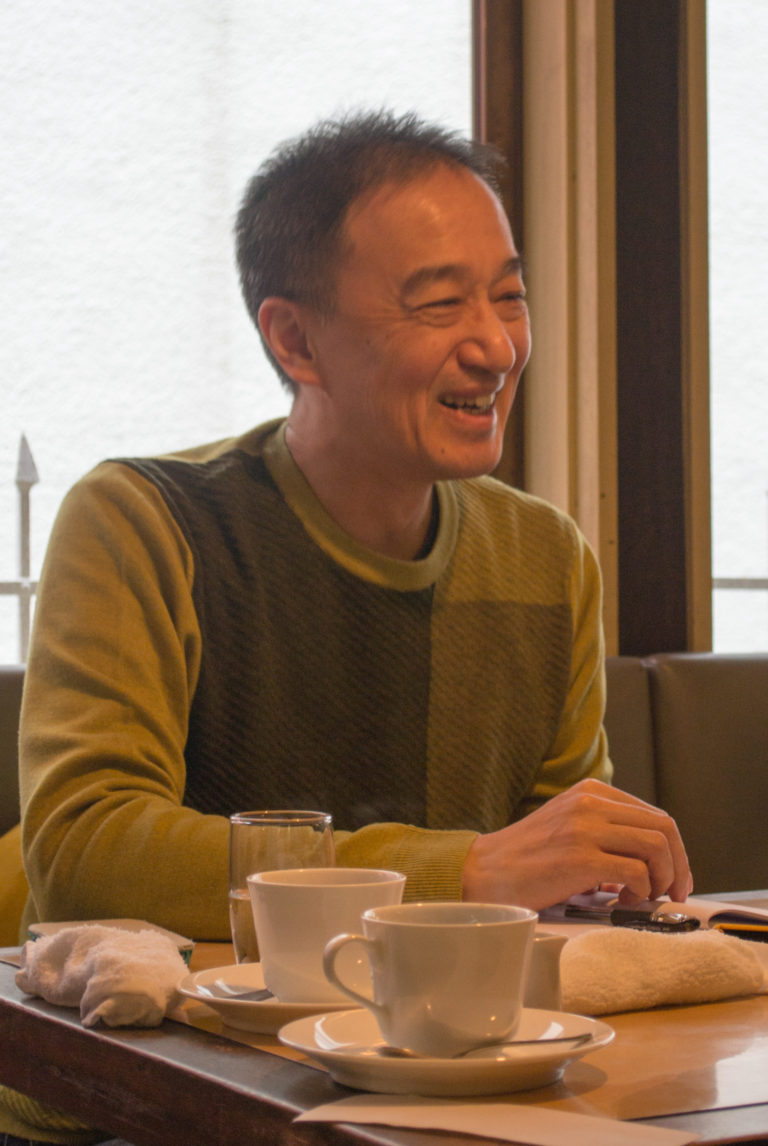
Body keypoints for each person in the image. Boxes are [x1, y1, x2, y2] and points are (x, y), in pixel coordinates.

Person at [4, 104, 694, 1146]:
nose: (497, 345)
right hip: (136, 1105)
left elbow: (552, 884)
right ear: (295, 338)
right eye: (440, 304)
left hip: (436, 1096)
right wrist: (464, 873)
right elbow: (85, 847)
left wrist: (603, 872)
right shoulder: (144, 521)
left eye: (510, 296)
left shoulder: (544, 558)